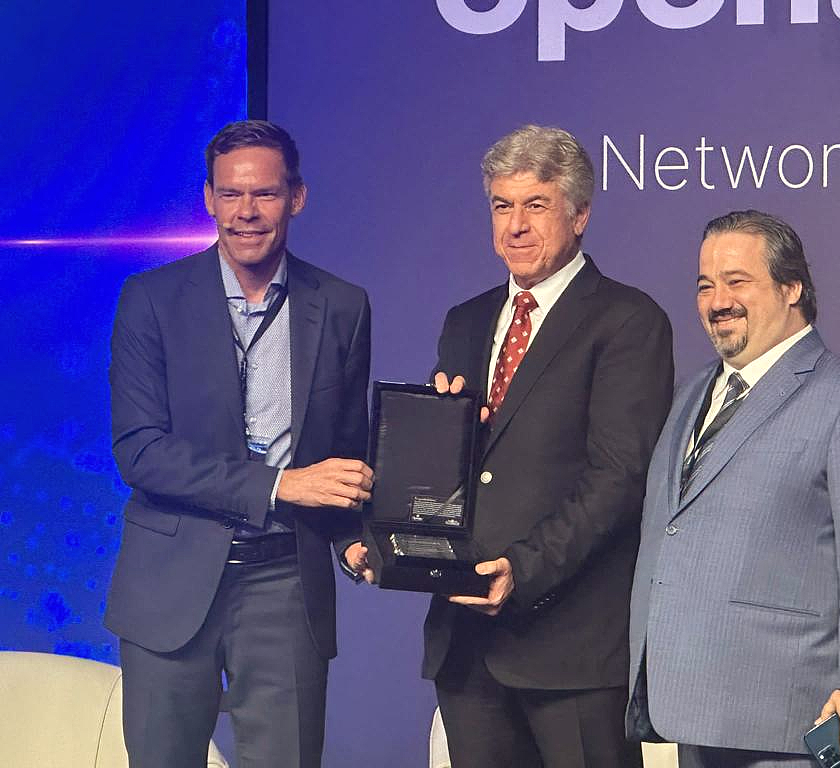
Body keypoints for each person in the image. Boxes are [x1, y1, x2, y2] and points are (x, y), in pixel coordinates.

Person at [348, 124, 673, 766]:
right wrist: (380, 535)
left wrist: (522, 570)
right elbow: (448, 475)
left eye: (536, 205)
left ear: (579, 215)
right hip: (467, 648)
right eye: (502, 206)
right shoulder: (465, 321)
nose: (515, 225)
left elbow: (619, 478)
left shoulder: (628, 321)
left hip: (571, 649)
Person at [106, 119, 374, 768]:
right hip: (170, 582)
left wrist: (356, 534)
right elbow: (140, 450)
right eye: (230, 195)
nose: (246, 213)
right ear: (208, 198)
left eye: (265, 195)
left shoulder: (342, 305)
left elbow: (344, 448)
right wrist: (279, 484)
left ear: (297, 197)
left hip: (286, 579)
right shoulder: (151, 300)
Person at [627, 210, 840, 768]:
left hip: (791, 717)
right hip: (690, 707)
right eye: (705, 285)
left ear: (791, 288)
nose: (718, 301)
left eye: (738, 281)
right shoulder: (690, 395)